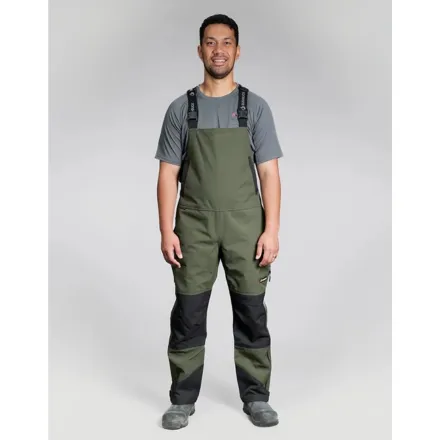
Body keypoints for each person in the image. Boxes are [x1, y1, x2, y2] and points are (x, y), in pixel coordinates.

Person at [154, 14, 283, 430]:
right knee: (189, 313)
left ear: (238, 51)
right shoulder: (181, 109)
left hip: (247, 227)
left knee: (251, 312)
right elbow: (168, 175)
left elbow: (269, 173)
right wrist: (166, 230)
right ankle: (182, 400)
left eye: (226, 42)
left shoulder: (255, 107)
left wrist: (271, 229)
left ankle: (256, 397)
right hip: (193, 227)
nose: (219, 50)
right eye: (210, 42)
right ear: (200, 50)